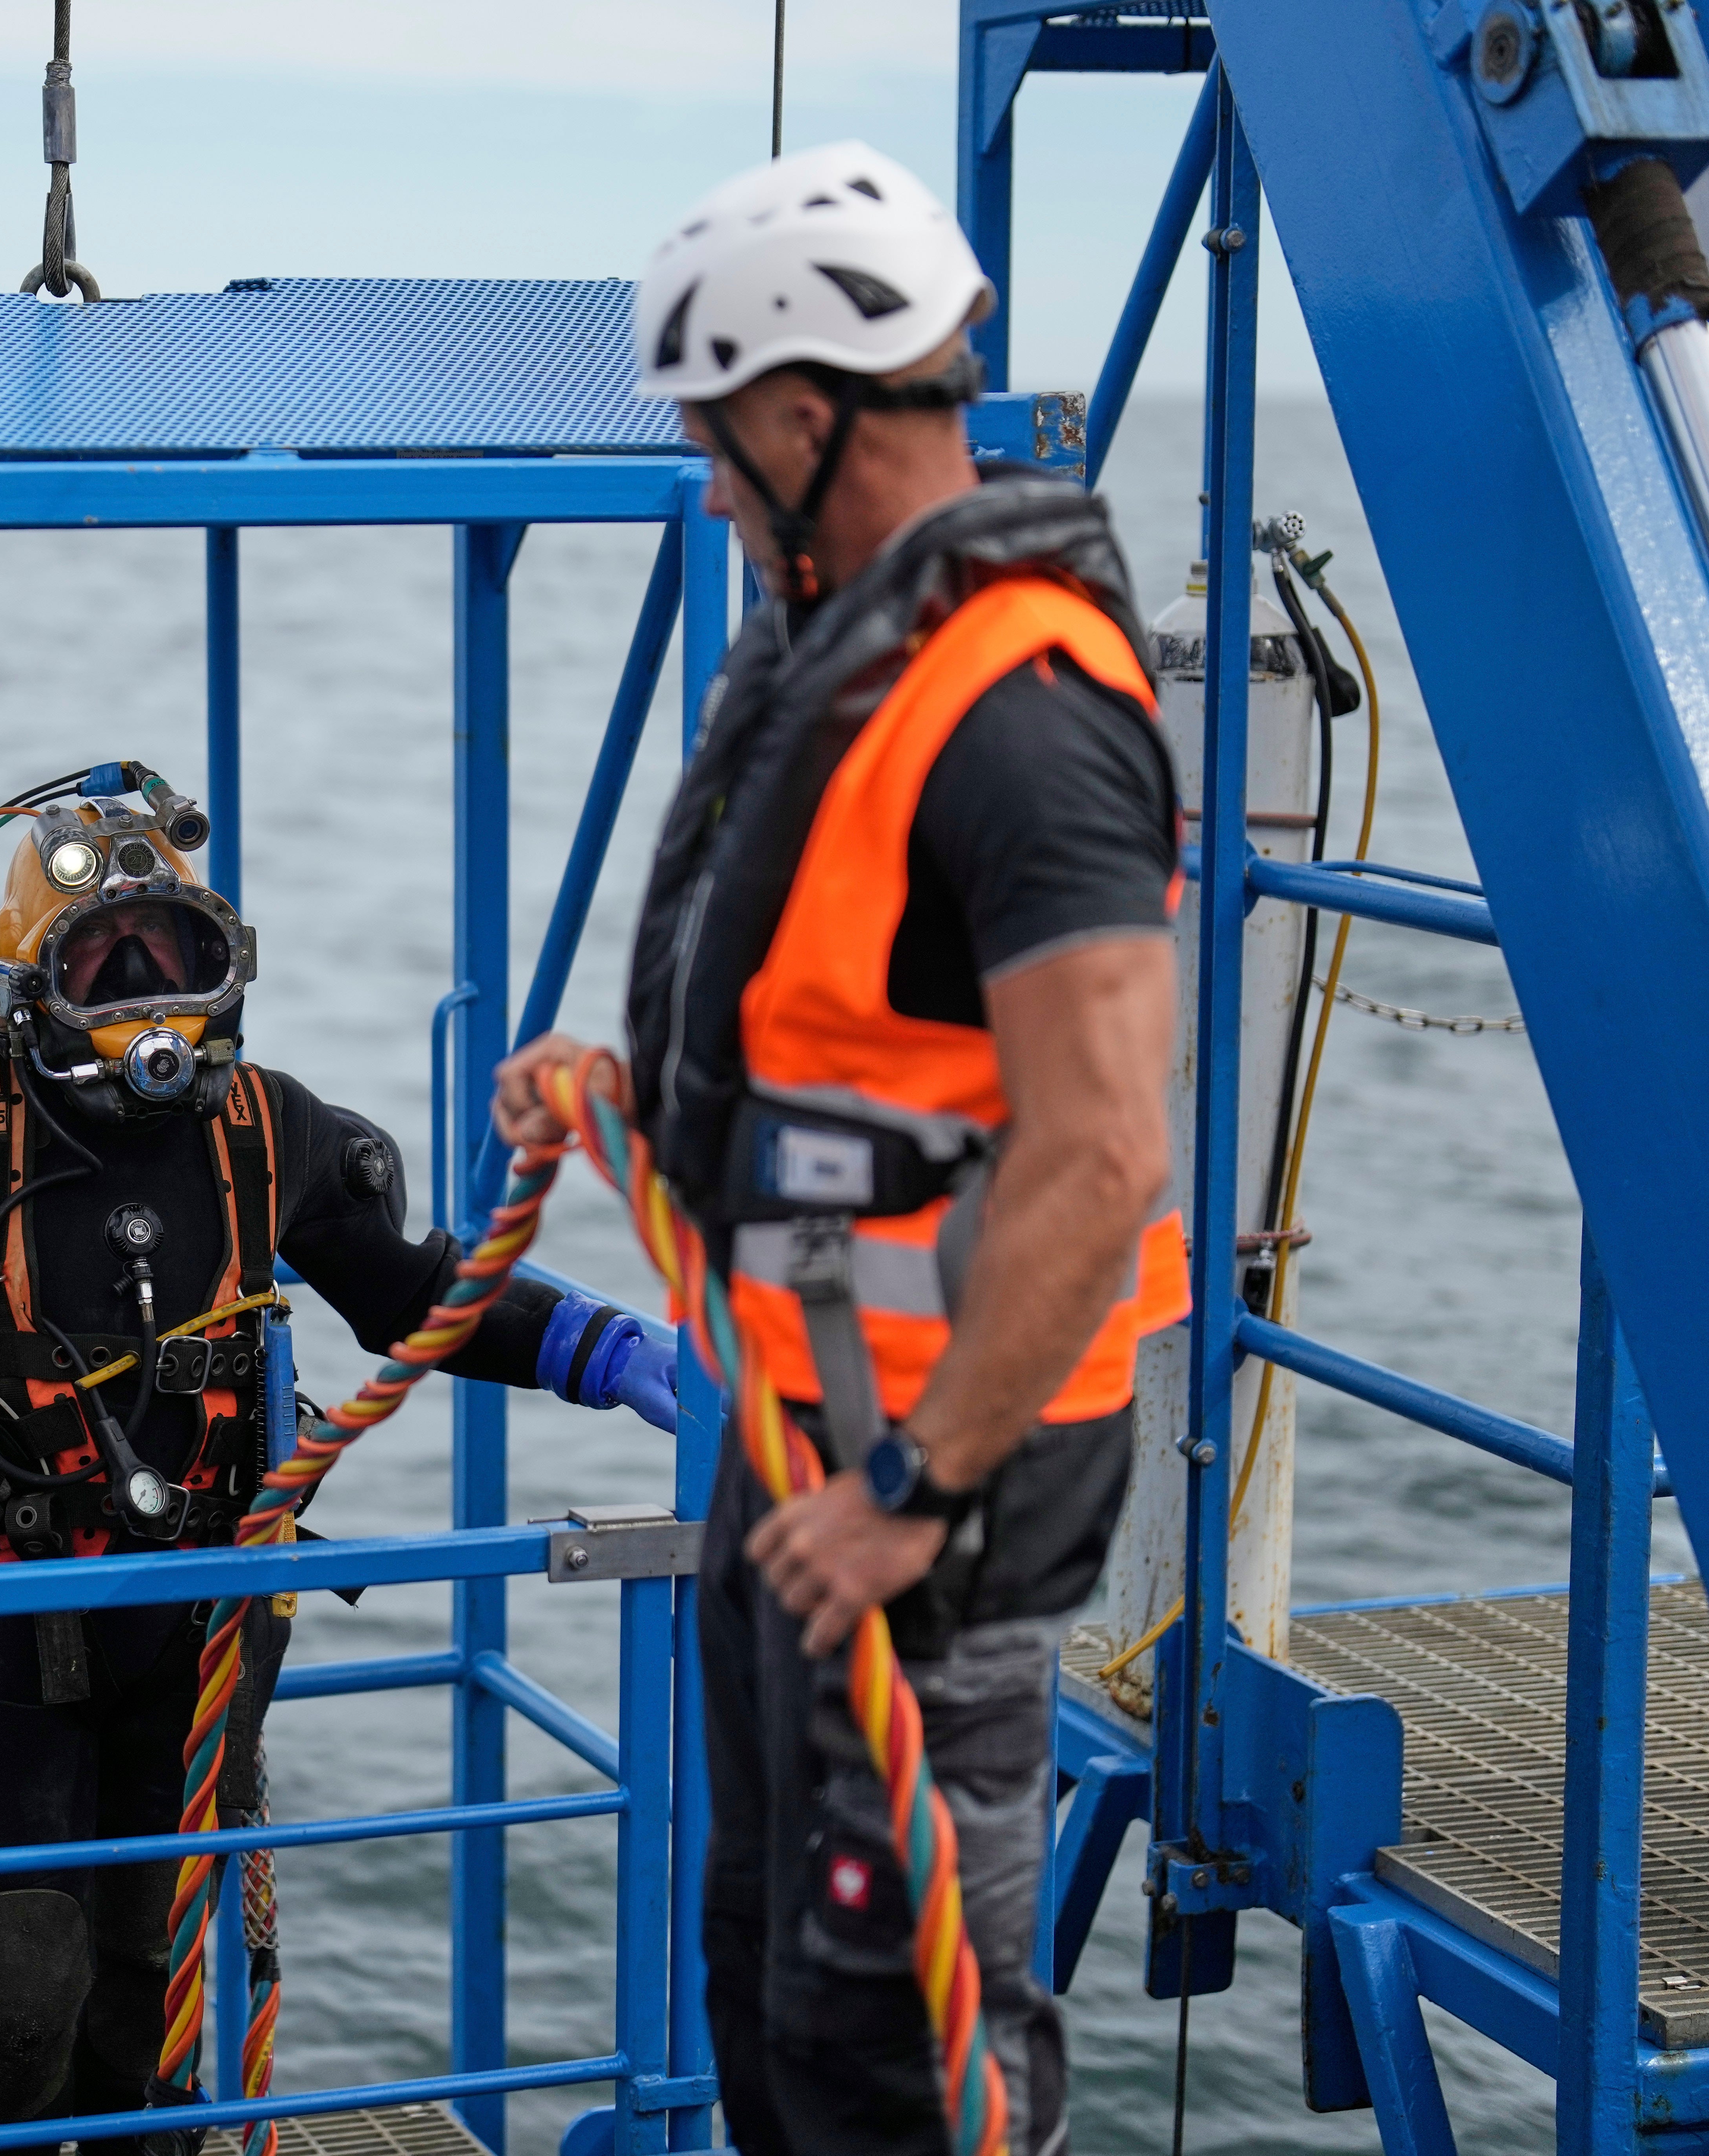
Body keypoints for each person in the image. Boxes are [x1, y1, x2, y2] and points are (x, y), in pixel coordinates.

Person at [0, 764, 681, 2148]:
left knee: (145, 1982)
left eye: (179, 955)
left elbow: (416, 1286)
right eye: (105, 960)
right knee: (25, 1983)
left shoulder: (269, 1128)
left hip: (194, 1617)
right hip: (3, 1614)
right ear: (32, 987)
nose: (151, 995)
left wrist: (610, 1349)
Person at [494, 143, 1189, 2156]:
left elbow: (1096, 1151)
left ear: (807, 416)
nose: (709, 483)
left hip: (929, 1488)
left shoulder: (1024, 717)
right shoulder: (847, 644)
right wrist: (615, 1089)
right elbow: (834, 1017)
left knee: (901, 2046)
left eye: (718, 441)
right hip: (802, 1429)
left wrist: (912, 1486)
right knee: (768, 1985)